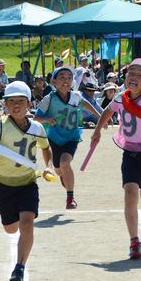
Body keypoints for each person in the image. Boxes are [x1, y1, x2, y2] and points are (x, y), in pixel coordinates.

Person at [91, 58, 141, 260]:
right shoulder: (120, 97)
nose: (134, 77)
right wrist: (97, 130)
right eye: (131, 73)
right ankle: (134, 241)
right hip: (130, 154)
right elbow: (108, 111)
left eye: (139, 75)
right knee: (130, 193)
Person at [0, 81, 54, 281]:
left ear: (29, 104)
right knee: (10, 229)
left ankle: (19, 268)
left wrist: (48, 166)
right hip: (4, 184)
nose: (16, 105)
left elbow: (46, 149)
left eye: (21, 101)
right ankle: (17, 253)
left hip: (28, 183)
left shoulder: (37, 128)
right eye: (11, 101)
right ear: (5, 104)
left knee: (27, 223)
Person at [34, 65, 101, 209]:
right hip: (54, 137)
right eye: (62, 77)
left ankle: (70, 198)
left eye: (69, 77)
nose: (66, 80)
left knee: (65, 163)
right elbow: (36, 117)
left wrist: (99, 116)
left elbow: (86, 105)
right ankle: (63, 175)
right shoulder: (49, 99)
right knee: (59, 169)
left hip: (71, 136)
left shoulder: (76, 96)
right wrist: (47, 119)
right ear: (54, 81)